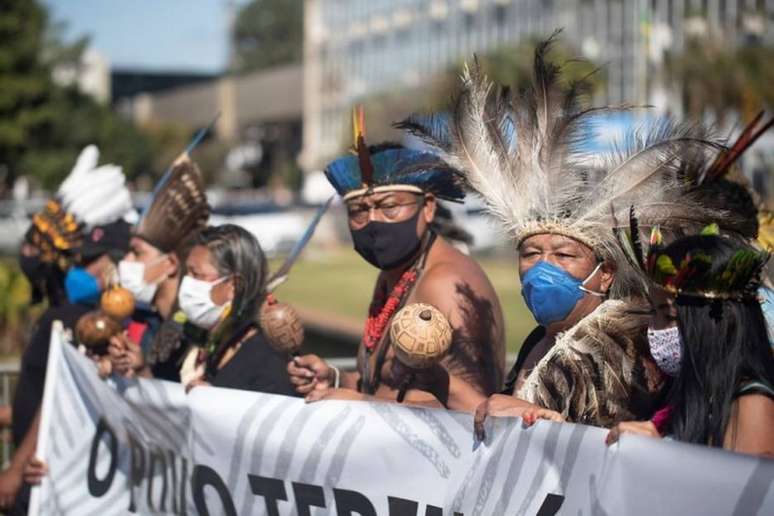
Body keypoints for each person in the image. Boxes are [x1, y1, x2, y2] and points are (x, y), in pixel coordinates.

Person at [402, 35, 749, 428]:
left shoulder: (617, 344)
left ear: (605, 273)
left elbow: (602, 447)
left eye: (565, 255)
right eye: (531, 254)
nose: (542, 268)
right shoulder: (543, 338)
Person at [288, 111, 506, 410]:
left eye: (389, 206)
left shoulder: (446, 284)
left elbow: (477, 411)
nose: (373, 221)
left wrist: (361, 403)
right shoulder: (398, 272)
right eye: (359, 211)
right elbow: (390, 385)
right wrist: (337, 379)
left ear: (428, 207)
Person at [0, 146, 136, 514]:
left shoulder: (82, 318)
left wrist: (14, 469)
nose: (81, 268)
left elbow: (59, 395)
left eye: (90, 261)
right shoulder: (61, 314)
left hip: (50, 478)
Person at [606, 227, 774, 456]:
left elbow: (737, 490)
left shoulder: (751, 404)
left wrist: (662, 457)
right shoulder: (685, 391)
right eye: (653, 312)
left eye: (669, 316)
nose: (653, 329)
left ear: (717, 323)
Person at [110, 155, 210, 382]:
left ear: (170, 264)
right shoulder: (153, 321)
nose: (127, 260)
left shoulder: (192, 335)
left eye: (137, 252)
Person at [169, 224, 296, 394]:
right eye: (187, 273)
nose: (187, 282)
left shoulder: (267, 357)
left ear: (234, 286)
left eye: (197, 274)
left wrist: (216, 402)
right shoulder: (215, 343)